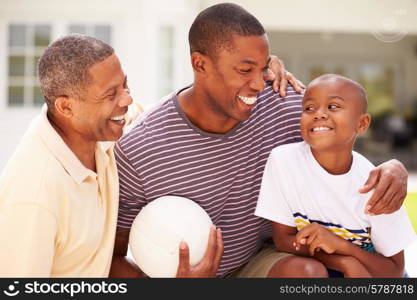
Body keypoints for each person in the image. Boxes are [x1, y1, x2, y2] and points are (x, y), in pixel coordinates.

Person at [110, 3, 408, 278]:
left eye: (263, 67)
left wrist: (393, 167)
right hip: (185, 279)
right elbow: (113, 257)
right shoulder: (140, 150)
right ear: (200, 65)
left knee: (306, 274)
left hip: (265, 259)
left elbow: (340, 133)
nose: (257, 83)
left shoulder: (282, 103)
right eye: (244, 69)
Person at [255, 74, 417, 277]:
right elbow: (284, 240)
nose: (319, 114)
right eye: (309, 108)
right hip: (324, 266)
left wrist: (344, 247)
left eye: (333, 106)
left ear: (362, 124)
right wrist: (344, 262)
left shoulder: (377, 186)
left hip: (373, 271)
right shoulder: (284, 160)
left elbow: (393, 271)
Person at [0, 34, 133, 277]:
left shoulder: (100, 128)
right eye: (111, 94)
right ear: (65, 107)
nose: (127, 99)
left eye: (125, 85)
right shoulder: (34, 196)